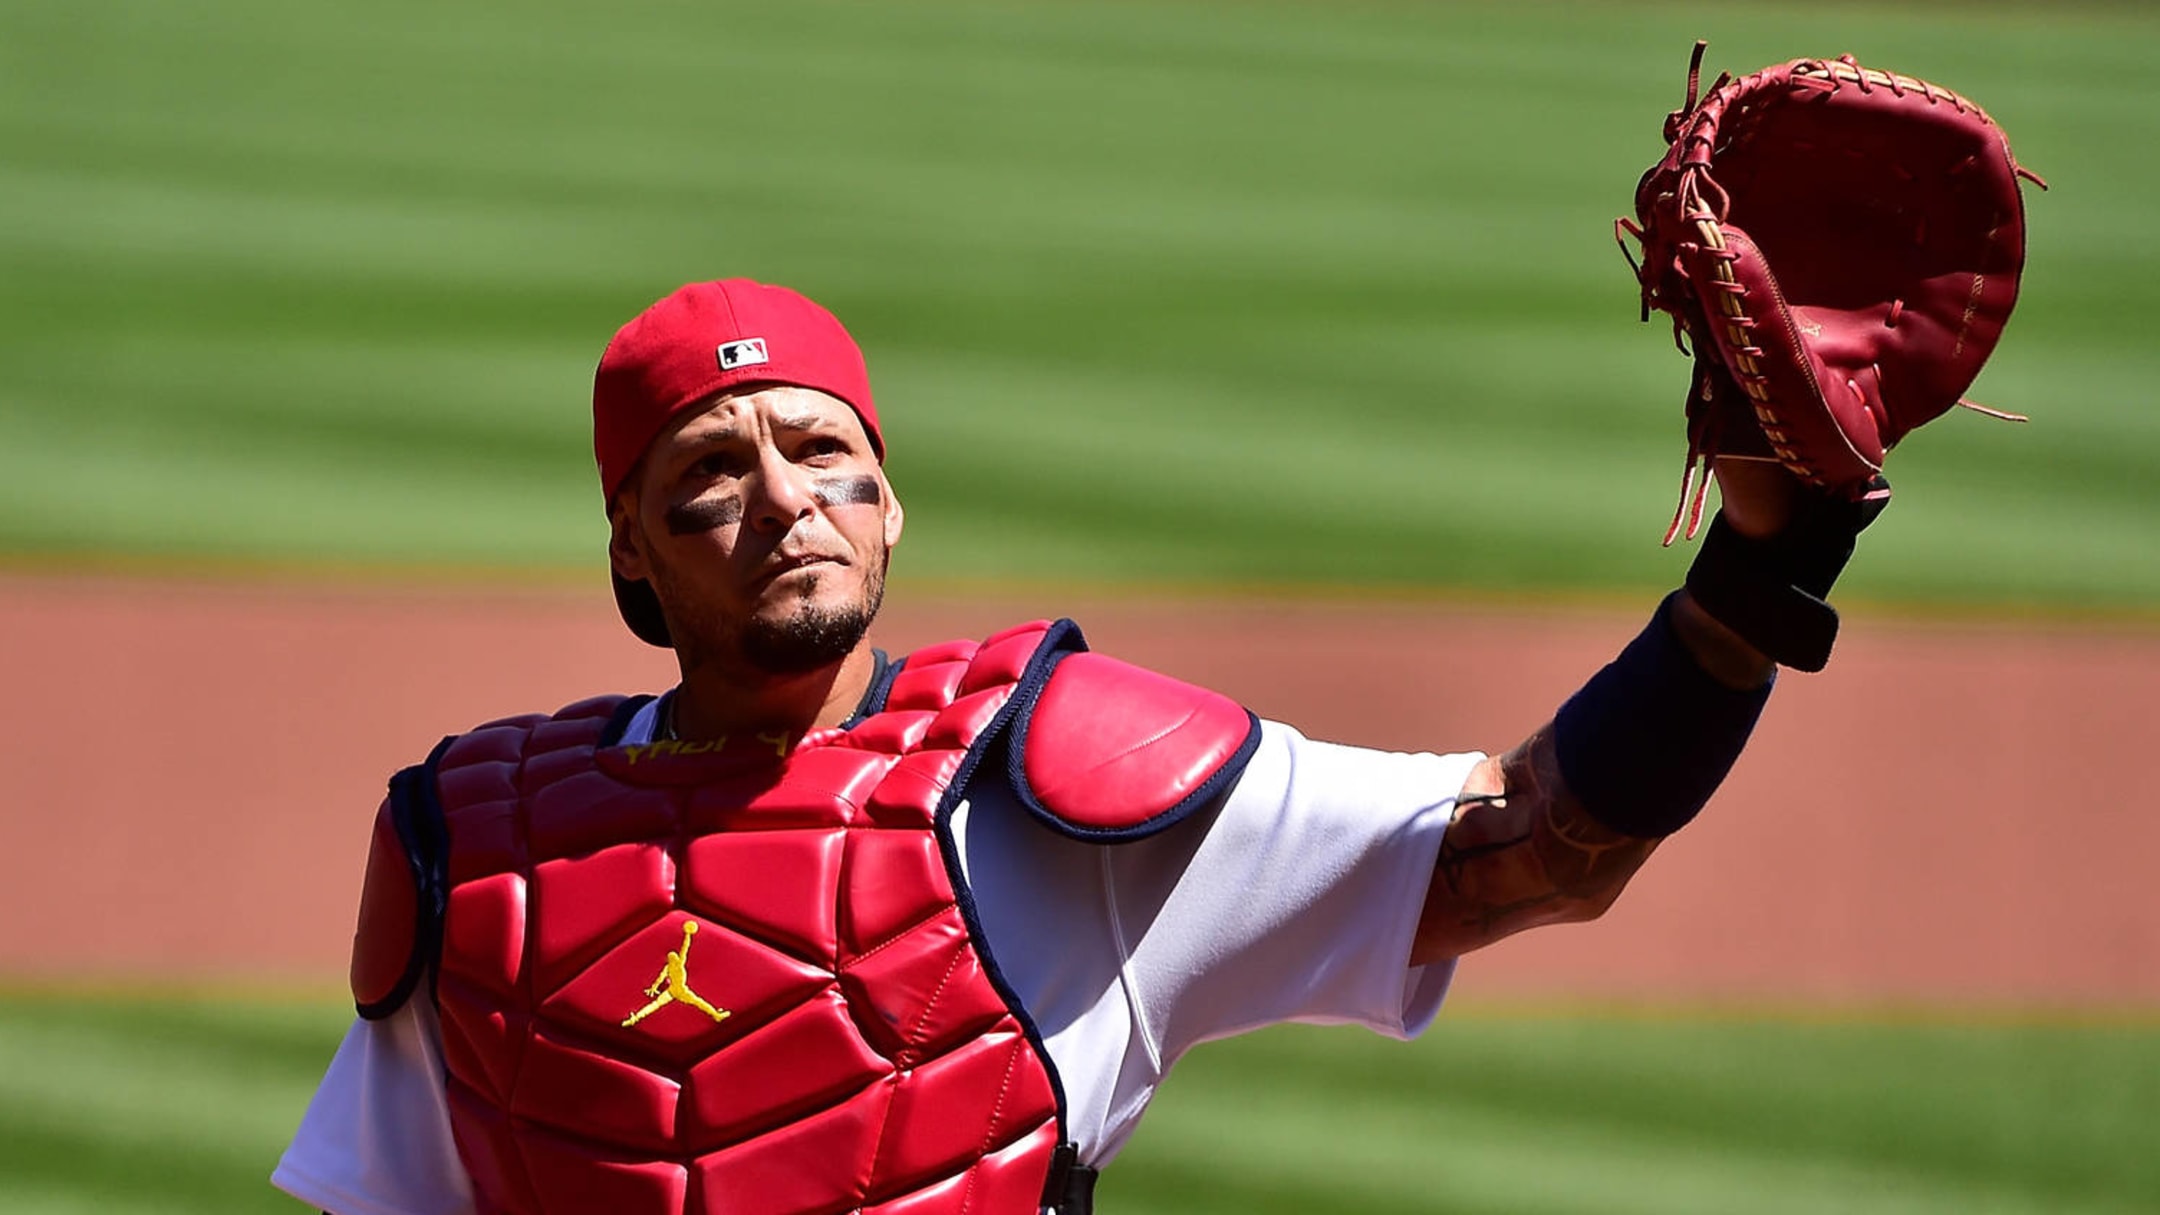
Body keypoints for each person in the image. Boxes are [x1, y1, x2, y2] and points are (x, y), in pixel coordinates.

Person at [274, 278, 1849, 1215]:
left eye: (825, 451)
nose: (784, 499)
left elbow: (1533, 852)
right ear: (631, 553)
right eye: (711, 467)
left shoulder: (1058, 776)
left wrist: (1758, 578)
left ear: (890, 503)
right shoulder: (486, 848)